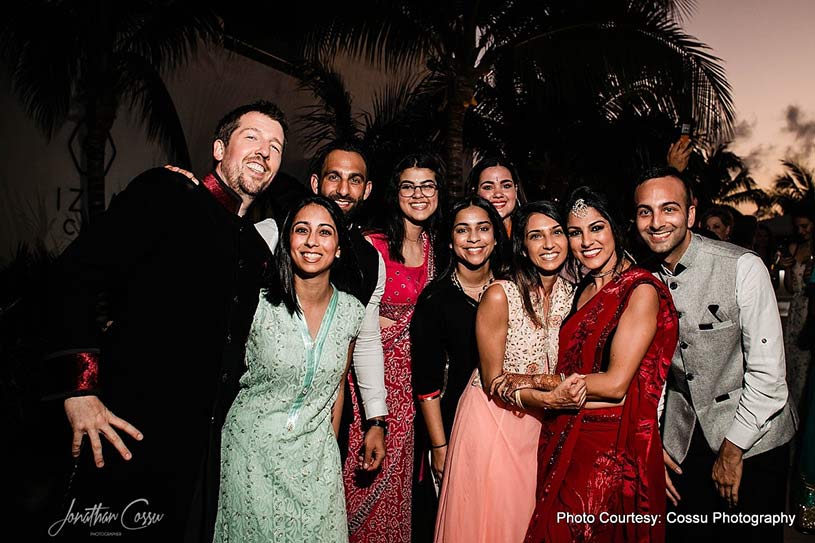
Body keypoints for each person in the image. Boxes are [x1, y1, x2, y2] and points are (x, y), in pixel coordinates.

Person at [42, 100, 288, 541]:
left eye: (275, 146)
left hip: (196, 459)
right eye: (251, 137)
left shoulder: (254, 252)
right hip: (123, 434)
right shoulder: (166, 195)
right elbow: (72, 277)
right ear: (219, 148)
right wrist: (81, 389)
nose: (264, 152)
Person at [634, 167, 797, 543]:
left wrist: (733, 450)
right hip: (683, 441)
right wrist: (652, 441)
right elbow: (651, 375)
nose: (657, 222)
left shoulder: (742, 266)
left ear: (690, 214)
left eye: (669, 209)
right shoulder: (641, 278)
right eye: (646, 211)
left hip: (754, 441)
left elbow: (769, 376)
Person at [511, 187, 678, 543]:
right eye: (575, 232)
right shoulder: (583, 286)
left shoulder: (640, 290)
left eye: (597, 228)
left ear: (616, 228)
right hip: (563, 433)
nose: (586, 241)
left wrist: (535, 381)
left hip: (606, 450)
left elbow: (617, 383)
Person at [213, 196, 365, 542]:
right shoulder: (258, 303)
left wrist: (330, 450)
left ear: (339, 248)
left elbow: (338, 388)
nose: (312, 241)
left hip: (316, 462)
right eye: (302, 230)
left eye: (325, 232)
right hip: (251, 456)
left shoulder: (352, 313)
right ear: (287, 241)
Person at [434, 200, 586, 543]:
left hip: (543, 423)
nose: (548, 244)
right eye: (536, 236)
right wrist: (548, 386)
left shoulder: (574, 296)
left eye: (556, 232)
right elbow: (493, 381)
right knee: (497, 524)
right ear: (522, 244)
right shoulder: (501, 294)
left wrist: (550, 392)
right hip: (492, 420)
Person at [343, 152, 448, 543]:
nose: (418, 194)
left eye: (427, 185)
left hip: (414, 392)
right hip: (367, 385)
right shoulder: (371, 246)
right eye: (409, 186)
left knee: (396, 486)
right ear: (395, 192)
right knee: (357, 482)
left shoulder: (443, 250)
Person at [410, 195, 509, 540]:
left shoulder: (514, 289)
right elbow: (426, 383)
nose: (473, 238)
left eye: (483, 229)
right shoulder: (435, 300)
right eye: (462, 230)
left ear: (496, 237)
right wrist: (440, 447)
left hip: (513, 424)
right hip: (457, 427)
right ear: (450, 240)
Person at [778, 206, 814, 414]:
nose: (802, 231)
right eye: (798, 227)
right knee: (793, 366)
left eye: (805, 226)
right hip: (797, 309)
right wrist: (788, 268)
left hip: (812, 307)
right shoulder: (793, 248)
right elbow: (791, 289)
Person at [466, 155, 526, 234]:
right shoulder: (467, 235)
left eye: (506, 186)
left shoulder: (529, 230)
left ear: (516, 190)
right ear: (474, 192)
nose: (498, 194)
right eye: (488, 187)